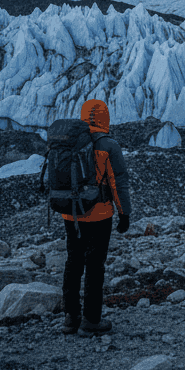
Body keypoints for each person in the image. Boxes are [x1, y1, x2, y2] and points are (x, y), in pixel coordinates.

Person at [59, 98, 132, 336]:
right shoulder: (108, 144)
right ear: (105, 117)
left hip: (71, 214)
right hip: (99, 215)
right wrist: (124, 214)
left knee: (73, 262)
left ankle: (71, 318)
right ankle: (91, 320)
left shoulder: (69, 142)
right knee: (94, 266)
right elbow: (117, 181)